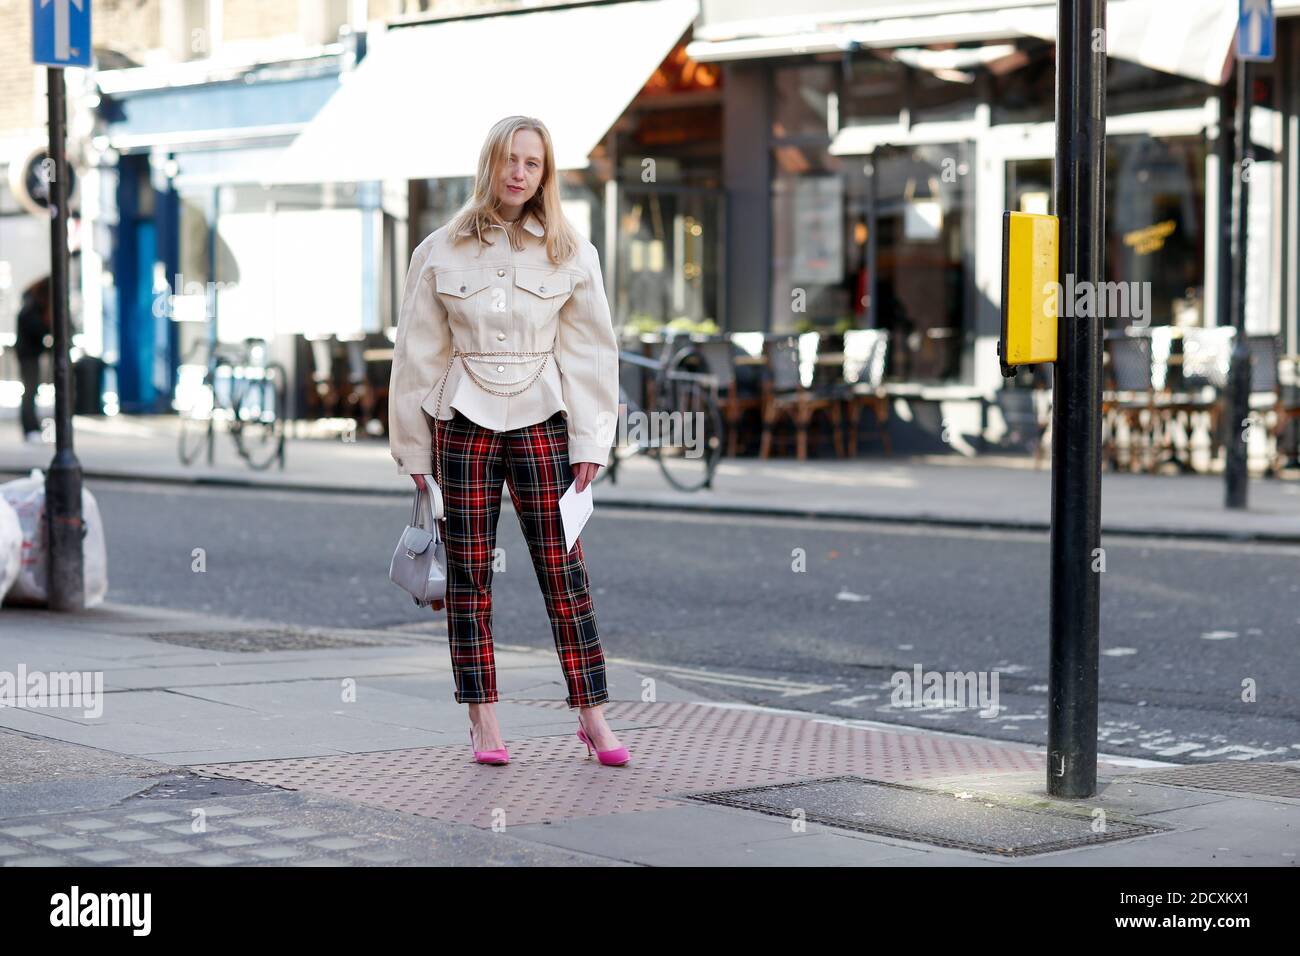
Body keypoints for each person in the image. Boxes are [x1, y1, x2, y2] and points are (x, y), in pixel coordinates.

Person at [388, 115, 628, 767]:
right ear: (490, 163)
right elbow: (416, 357)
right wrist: (414, 453)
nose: (520, 173)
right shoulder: (438, 250)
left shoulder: (572, 251)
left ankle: (594, 716)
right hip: (461, 423)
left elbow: (590, 351)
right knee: (469, 577)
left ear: (544, 175)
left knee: (564, 571)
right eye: (510, 160)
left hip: (544, 419)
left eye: (533, 163)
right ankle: (483, 720)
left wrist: (591, 440)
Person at [15, 277, 52, 443]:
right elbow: (32, 326)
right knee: (30, 390)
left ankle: (33, 428)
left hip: (31, 352)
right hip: (27, 353)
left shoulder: (33, 303)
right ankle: (30, 428)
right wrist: (44, 331)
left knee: (32, 389)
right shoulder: (32, 306)